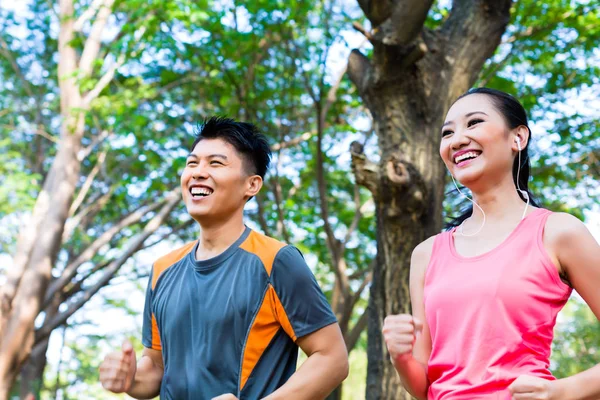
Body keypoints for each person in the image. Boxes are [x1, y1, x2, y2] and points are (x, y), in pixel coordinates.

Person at [99, 117, 349, 399]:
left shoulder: (276, 261)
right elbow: (156, 368)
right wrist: (129, 378)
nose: (198, 173)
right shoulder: (162, 269)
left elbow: (332, 359)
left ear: (251, 185)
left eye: (215, 163)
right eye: (192, 163)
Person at [383, 88, 600, 400]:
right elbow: (424, 385)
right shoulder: (427, 253)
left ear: (518, 138)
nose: (456, 140)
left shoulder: (558, 232)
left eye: (474, 123)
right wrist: (401, 358)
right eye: (447, 133)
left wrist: (562, 392)